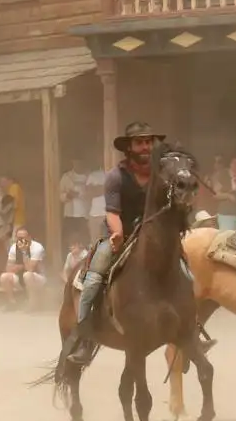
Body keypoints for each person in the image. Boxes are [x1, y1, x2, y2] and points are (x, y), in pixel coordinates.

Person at [61, 121, 162, 366]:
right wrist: (117, 234)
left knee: (184, 268)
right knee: (93, 277)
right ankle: (84, 338)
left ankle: (190, 328)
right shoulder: (116, 176)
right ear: (129, 147)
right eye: (140, 142)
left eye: (149, 142)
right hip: (121, 236)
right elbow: (112, 212)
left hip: (153, 236)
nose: (146, 147)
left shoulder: (160, 175)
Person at [61, 158, 89, 248]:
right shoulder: (66, 176)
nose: (77, 163)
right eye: (75, 161)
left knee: (84, 238)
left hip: (85, 214)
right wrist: (68, 196)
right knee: (69, 237)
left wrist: (80, 194)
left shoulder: (88, 176)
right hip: (70, 214)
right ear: (72, 162)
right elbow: (60, 195)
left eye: (79, 161)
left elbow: (92, 193)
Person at [212, 156, 236, 233]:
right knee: (227, 239)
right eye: (234, 163)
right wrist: (228, 196)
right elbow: (215, 194)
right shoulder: (222, 175)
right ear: (230, 164)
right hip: (226, 214)